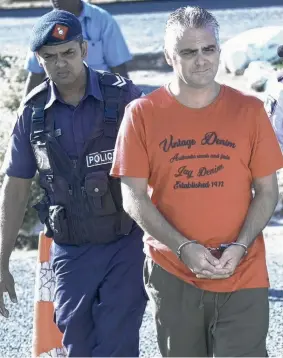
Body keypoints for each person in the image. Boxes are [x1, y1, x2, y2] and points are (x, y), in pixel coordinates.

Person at [110, 6, 283, 357]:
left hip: (244, 270)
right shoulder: (141, 114)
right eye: (188, 52)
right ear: (169, 56)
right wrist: (183, 247)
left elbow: (267, 191)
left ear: (219, 50)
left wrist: (240, 246)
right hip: (173, 272)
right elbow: (134, 196)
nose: (201, 60)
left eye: (209, 49)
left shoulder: (250, 111)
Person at [0, 9, 147, 357]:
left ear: (83, 49)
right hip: (71, 250)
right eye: (49, 57)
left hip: (124, 244)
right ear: (39, 60)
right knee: (76, 345)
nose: (60, 63)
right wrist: (2, 259)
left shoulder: (123, 98)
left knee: (116, 343)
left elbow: (158, 166)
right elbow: (15, 189)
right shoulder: (32, 114)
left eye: (67, 52)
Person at [23, 0, 131, 97]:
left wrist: (127, 102)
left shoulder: (102, 20)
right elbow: (35, 75)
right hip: (60, 101)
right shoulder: (44, 27)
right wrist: (23, 109)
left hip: (101, 97)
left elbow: (118, 67)